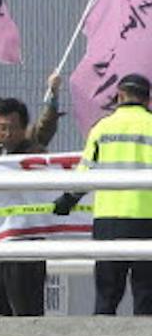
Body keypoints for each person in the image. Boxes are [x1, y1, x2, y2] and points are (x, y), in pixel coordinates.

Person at [0, 79, 62, 317]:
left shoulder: (32, 154)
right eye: (0, 128)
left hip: (23, 246)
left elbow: (45, 126)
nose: (5, 134)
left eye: (11, 127)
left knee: (26, 315)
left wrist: (52, 96)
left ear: (24, 128)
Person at [55, 72, 152, 316]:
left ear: (119, 95)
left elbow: (85, 174)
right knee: (146, 295)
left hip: (109, 221)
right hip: (147, 220)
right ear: (147, 99)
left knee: (107, 295)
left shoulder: (102, 128)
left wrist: (67, 201)